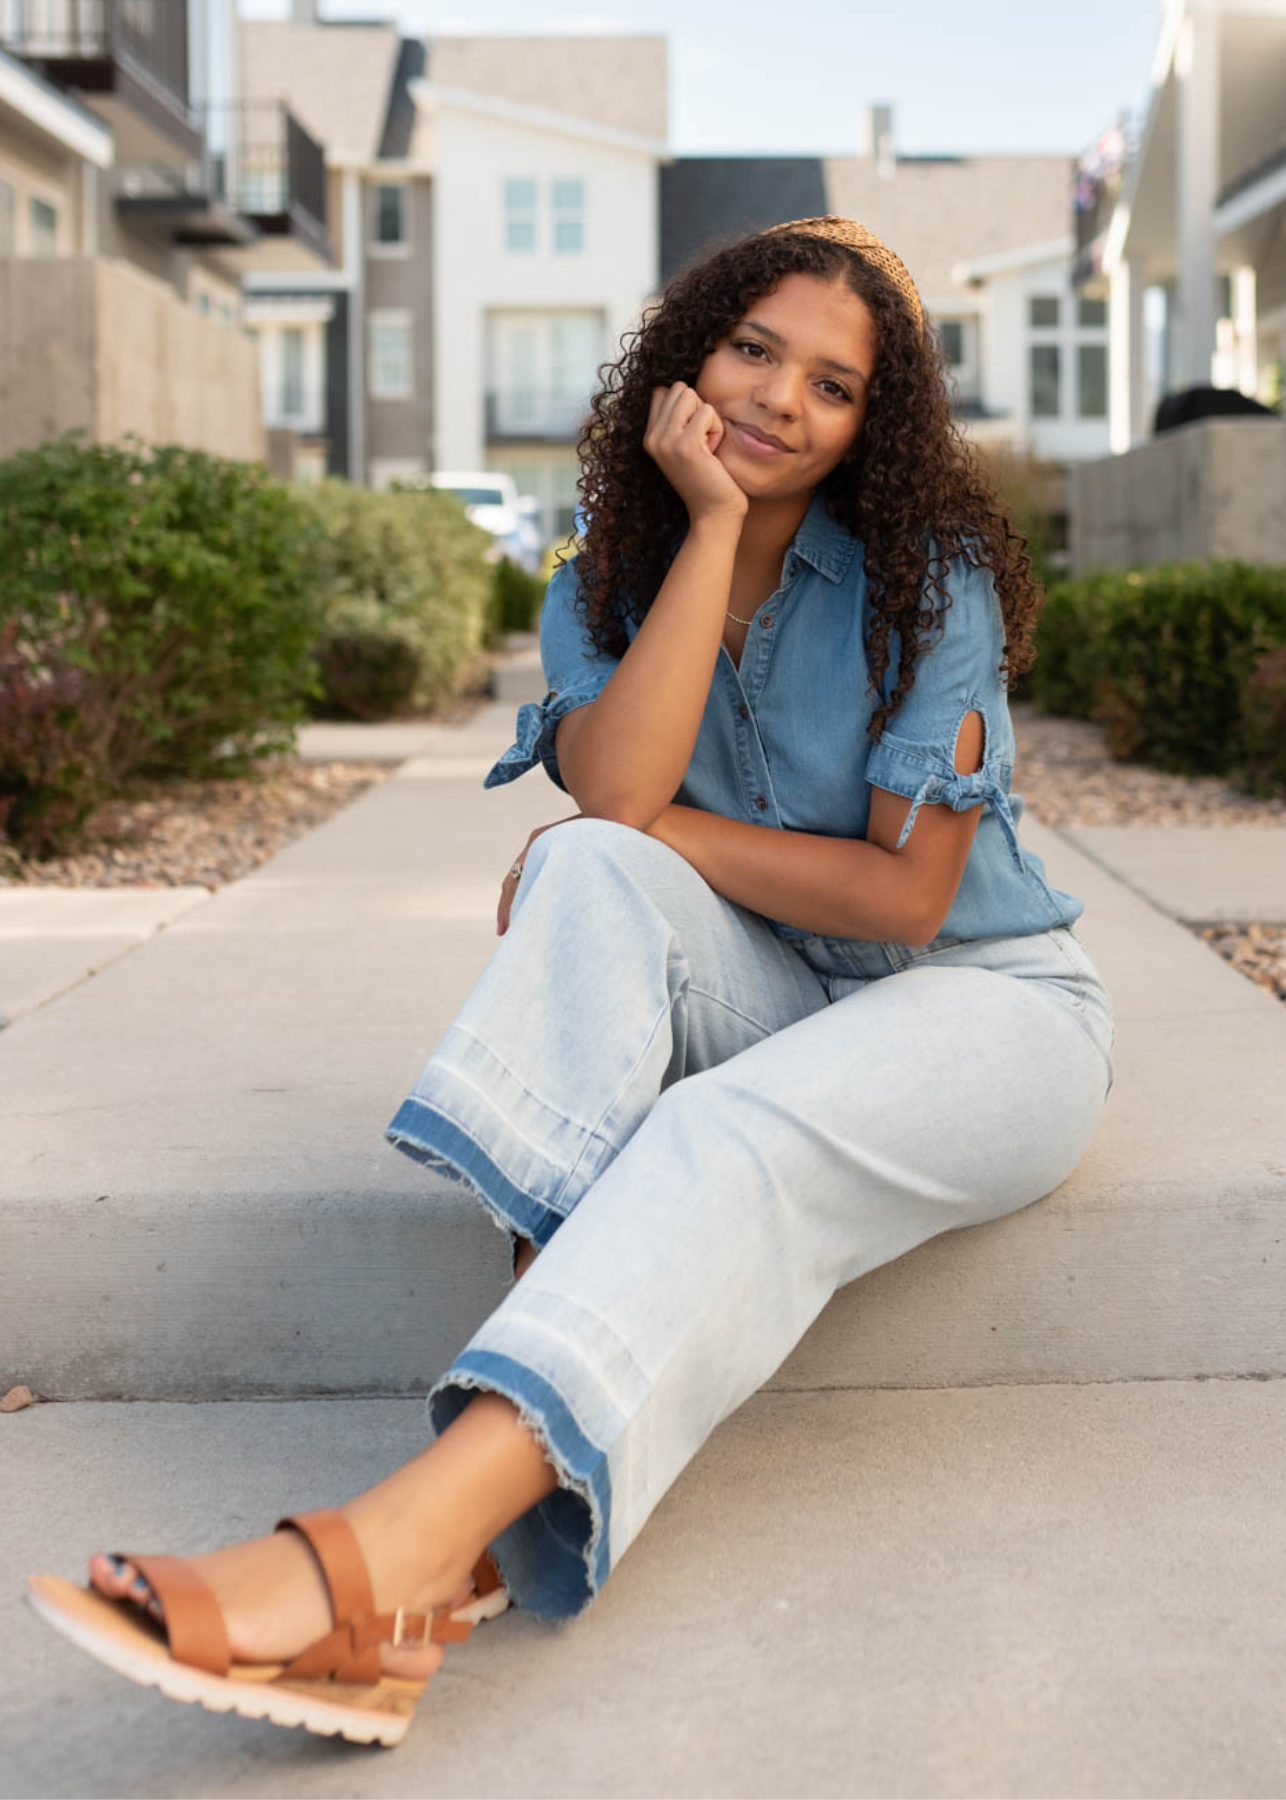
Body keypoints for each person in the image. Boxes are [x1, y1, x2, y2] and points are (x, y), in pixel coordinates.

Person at [26, 216, 1116, 1748]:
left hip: (987, 1008)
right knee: (581, 869)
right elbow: (613, 807)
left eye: (833, 385)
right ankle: (434, 1543)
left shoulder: (925, 578)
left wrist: (645, 824)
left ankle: (401, 1555)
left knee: (703, 1109)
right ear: (688, 350)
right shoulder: (604, 578)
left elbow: (903, 893)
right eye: (755, 349)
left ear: (878, 426)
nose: (781, 401)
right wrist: (712, 529)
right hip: (770, 983)